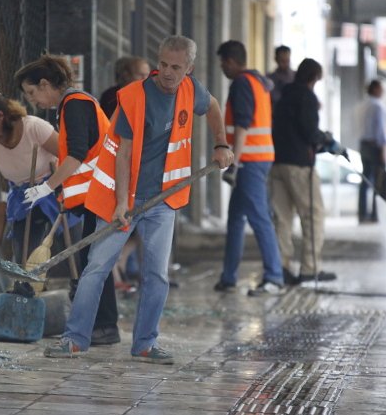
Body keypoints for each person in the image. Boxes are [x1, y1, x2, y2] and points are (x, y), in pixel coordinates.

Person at [44, 35, 234, 363]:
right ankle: (74, 339)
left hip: (163, 200)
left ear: (189, 69)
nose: (168, 72)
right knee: (97, 267)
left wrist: (221, 144)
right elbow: (123, 153)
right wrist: (122, 203)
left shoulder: (192, 90)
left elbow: (214, 106)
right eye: (163, 65)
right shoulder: (135, 96)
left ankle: (145, 343)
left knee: (157, 274)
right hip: (121, 198)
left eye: (176, 67)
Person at [13, 55, 121, 346]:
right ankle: (102, 325)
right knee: (92, 261)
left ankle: (104, 326)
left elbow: (76, 154)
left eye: (32, 92)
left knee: (94, 263)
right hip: (96, 195)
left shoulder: (75, 104)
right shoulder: (72, 105)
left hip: (100, 195)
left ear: (45, 84)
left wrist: (47, 188)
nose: (32, 100)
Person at [214, 41, 284, 295]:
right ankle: (228, 277)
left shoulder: (242, 83)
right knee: (235, 219)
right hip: (258, 157)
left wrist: (235, 162)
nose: (222, 68)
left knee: (259, 217)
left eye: (223, 63)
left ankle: (274, 277)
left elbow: (243, 124)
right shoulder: (258, 82)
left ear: (231, 61)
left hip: (249, 161)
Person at [270, 59, 345, 286]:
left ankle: (281, 267)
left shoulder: (283, 96)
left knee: (282, 218)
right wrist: (326, 139)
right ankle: (310, 269)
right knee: (312, 215)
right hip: (300, 166)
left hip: (277, 163)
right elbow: (309, 132)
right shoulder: (307, 97)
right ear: (314, 78)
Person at [0, 91, 60, 265]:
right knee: (23, 254)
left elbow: (68, 155)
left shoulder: (33, 127)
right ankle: (27, 278)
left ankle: (81, 279)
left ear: (0, 116)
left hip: (54, 188)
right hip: (23, 195)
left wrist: (60, 184)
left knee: (74, 247)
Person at [98, 56, 151, 284]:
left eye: (147, 74)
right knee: (126, 218)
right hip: (121, 167)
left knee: (145, 220)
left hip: (144, 165)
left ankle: (127, 264)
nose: (146, 78)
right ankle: (118, 267)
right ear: (126, 75)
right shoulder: (114, 98)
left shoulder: (149, 95)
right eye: (141, 74)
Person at [358, 79, 386, 223]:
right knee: (379, 181)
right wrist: (384, 150)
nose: (383, 91)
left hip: (364, 144)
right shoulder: (378, 106)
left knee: (365, 180)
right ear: (376, 89)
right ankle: (375, 214)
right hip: (375, 147)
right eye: (381, 88)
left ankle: (362, 214)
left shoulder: (363, 104)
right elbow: (381, 131)